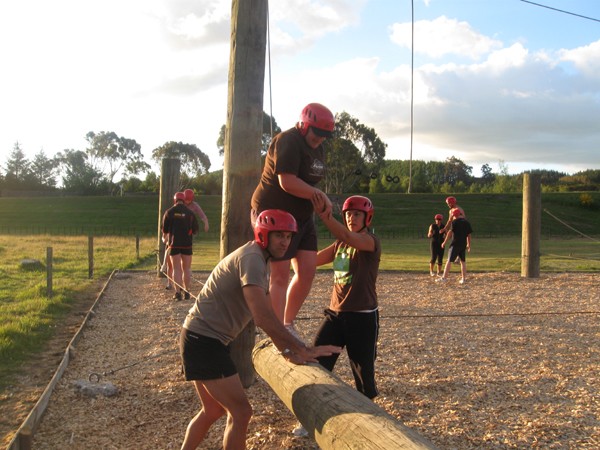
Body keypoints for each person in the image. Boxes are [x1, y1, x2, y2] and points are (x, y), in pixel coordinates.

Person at [179, 209, 341, 450]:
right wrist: (301, 348)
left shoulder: (260, 258)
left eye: (288, 237)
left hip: (198, 336)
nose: (285, 242)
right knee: (241, 412)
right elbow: (262, 316)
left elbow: (267, 313)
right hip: (204, 342)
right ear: (264, 235)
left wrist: (288, 350)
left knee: (212, 410)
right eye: (279, 236)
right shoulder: (253, 259)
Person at [250, 102, 335, 333]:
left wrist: (316, 201)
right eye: (317, 133)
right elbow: (286, 181)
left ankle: (287, 324)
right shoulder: (287, 140)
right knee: (279, 275)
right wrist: (318, 194)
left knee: (307, 272)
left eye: (325, 135)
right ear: (304, 125)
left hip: (302, 217)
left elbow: (310, 181)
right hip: (275, 215)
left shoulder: (318, 147)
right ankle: (277, 331)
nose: (320, 138)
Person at [311, 194, 381, 399]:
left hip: (362, 317)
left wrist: (325, 217)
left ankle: (372, 423)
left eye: (357, 214)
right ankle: (311, 414)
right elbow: (312, 261)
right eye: (349, 214)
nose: (352, 218)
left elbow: (350, 237)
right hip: (335, 315)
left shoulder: (370, 242)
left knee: (363, 375)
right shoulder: (339, 244)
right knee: (317, 362)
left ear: (367, 217)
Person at [162, 192, 199, 300]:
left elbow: (165, 230)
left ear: (175, 200)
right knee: (186, 269)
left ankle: (177, 293)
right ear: (184, 200)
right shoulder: (190, 213)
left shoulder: (169, 212)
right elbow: (195, 230)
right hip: (187, 244)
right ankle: (187, 291)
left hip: (174, 244)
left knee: (176, 268)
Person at [436, 208, 472, 284]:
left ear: (454, 215)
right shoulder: (466, 222)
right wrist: (469, 244)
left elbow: (450, 233)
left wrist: (444, 242)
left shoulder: (454, 222)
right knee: (463, 261)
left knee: (449, 260)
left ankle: (444, 278)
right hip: (463, 244)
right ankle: (463, 279)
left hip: (455, 244)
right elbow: (469, 235)